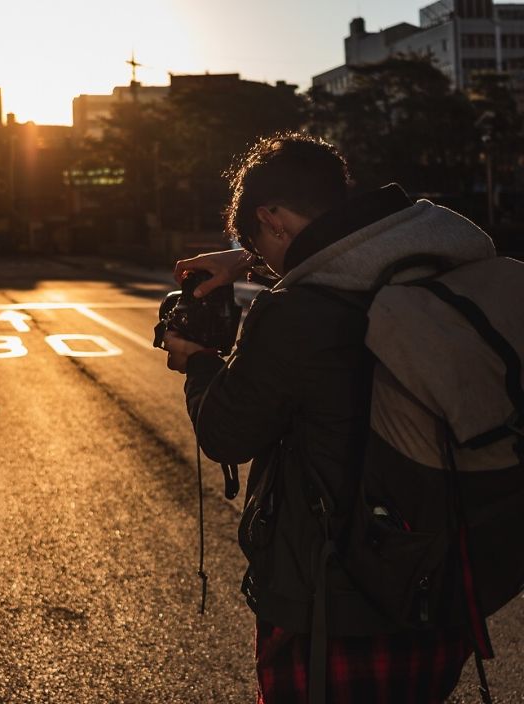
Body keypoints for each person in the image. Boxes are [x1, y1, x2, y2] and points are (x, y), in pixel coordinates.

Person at [163, 133, 485, 702]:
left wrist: (199, 364)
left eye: (262, 242)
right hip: (441, 579)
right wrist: (247, 257)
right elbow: (347, 258)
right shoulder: (439, 259)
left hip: (338, 599)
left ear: (275, 217)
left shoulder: (294, 314)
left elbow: (226, 433)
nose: (265, 265)